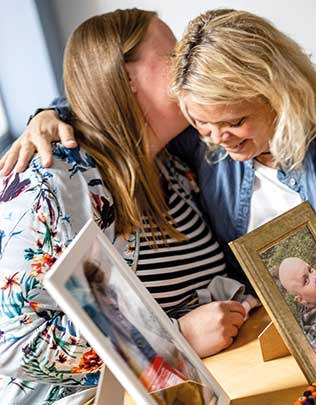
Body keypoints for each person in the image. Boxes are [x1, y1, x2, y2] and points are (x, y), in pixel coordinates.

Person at [3, 9, 316, 318]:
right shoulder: (199, 143)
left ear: (277, 93)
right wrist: (50, 114)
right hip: (300, 337)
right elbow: (108, 106)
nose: (219, 138)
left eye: (236, 121)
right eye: (202, 123)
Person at [0, 9, 253, 404]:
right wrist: (173, 340)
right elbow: (13, 345)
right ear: (125, 78)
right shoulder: (50, 181)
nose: (190, 63)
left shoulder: (173, 165)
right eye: (174, 54)